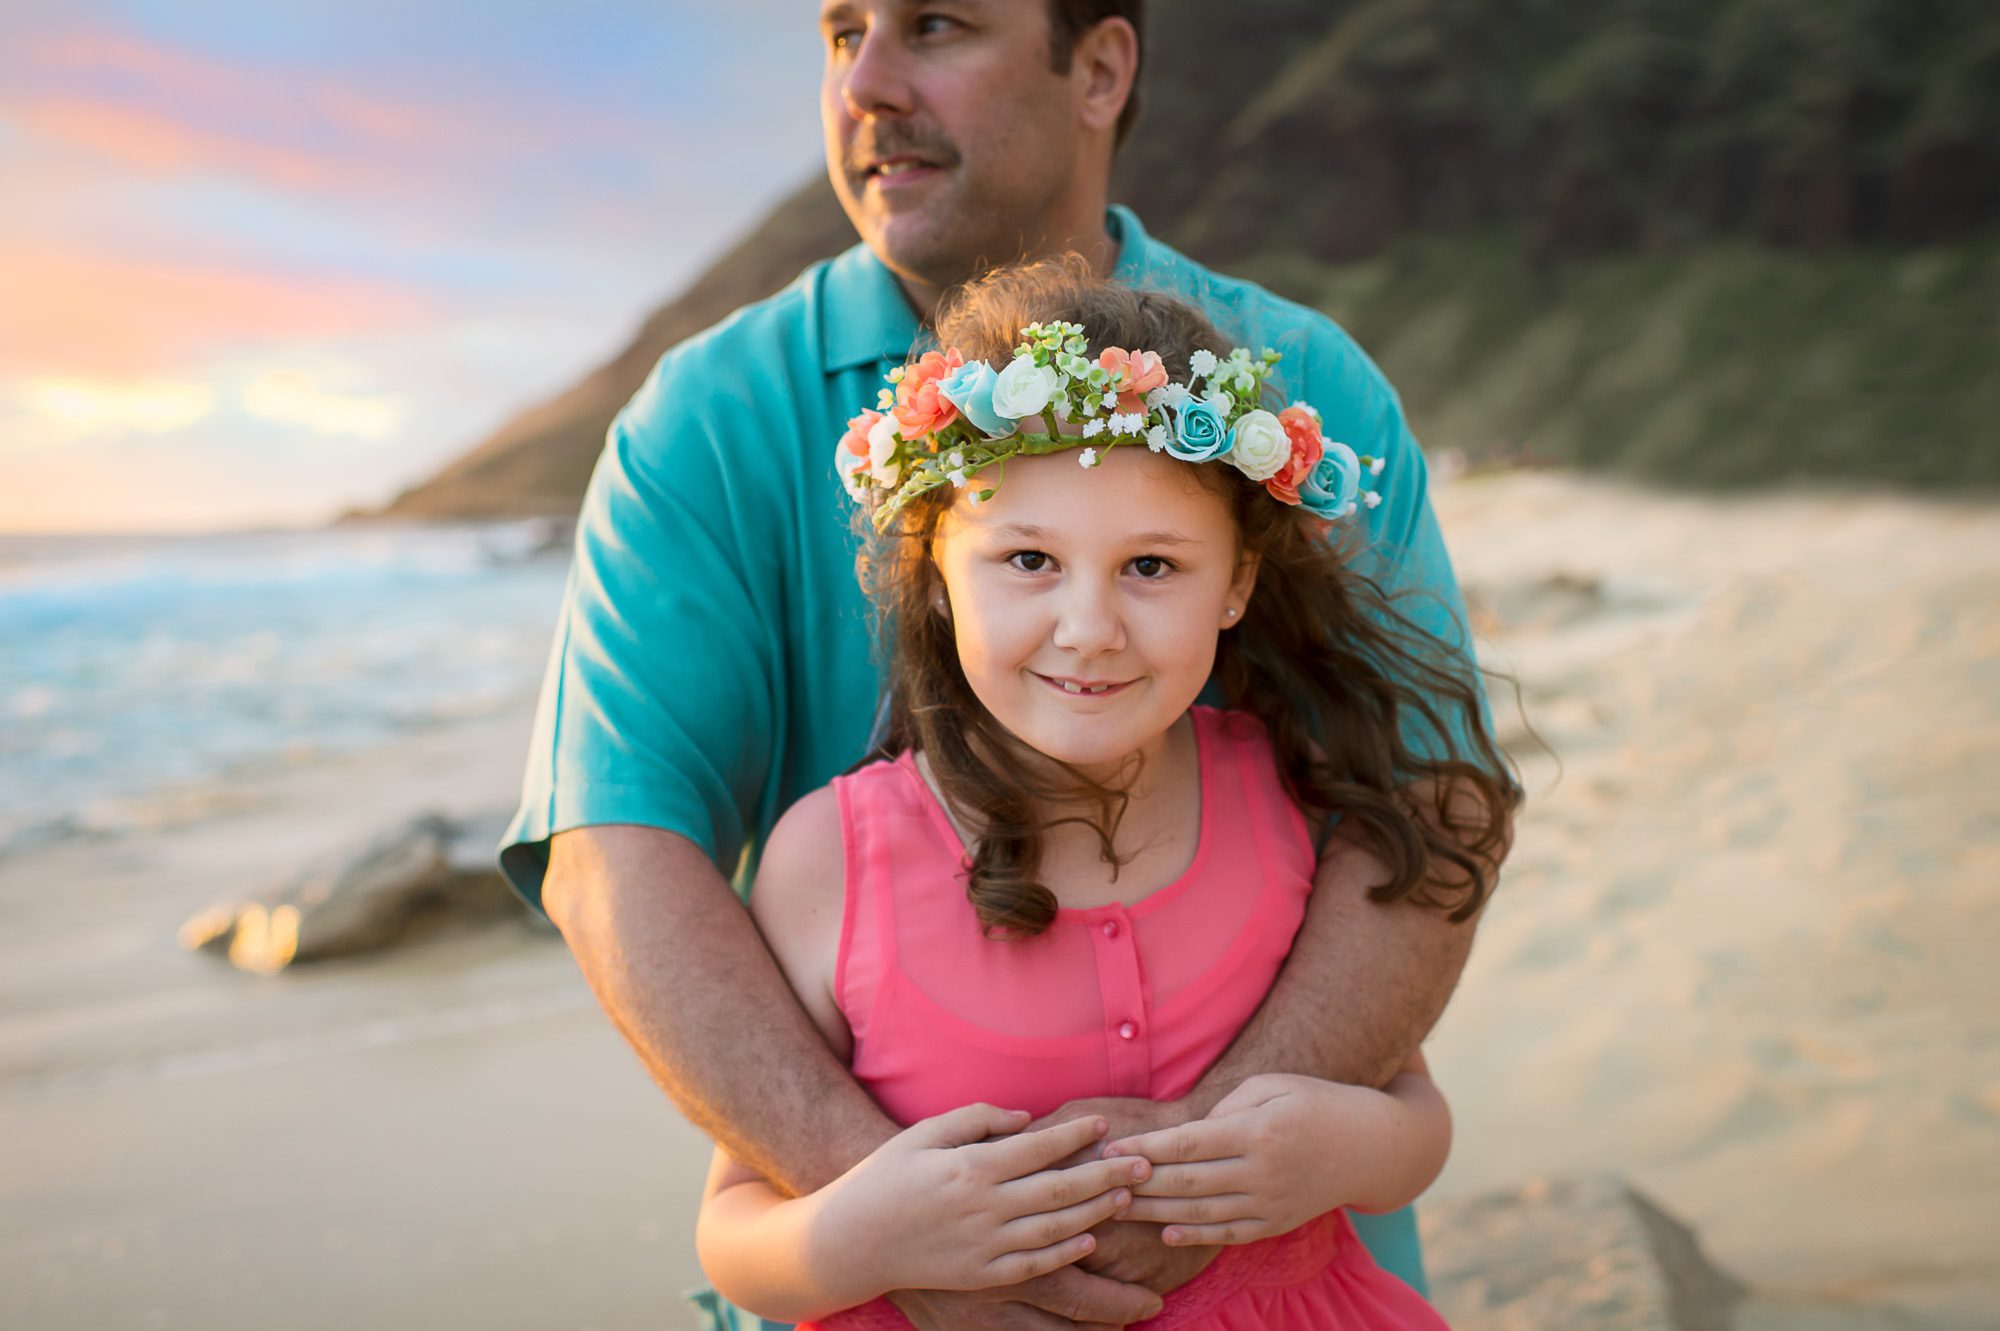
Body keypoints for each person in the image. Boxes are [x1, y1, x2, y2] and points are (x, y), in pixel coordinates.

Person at [500, 3, 1511, 1326]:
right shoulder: (701, 422)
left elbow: (1432, 795)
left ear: (1099, 68)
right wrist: (923, 1234)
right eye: (842, 29)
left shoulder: (1299, 389)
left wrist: (1171, 1188)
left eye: (936, 25)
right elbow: (613, 848)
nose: (865, 82)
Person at [692, 261, 1515, 1329]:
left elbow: (1413, 1116)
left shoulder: (1292, 797)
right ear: (938, 573)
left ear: (1235, 584)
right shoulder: (827, 857)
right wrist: (867, 1235)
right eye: (1027, 557)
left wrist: (1334, 1146)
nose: (1088, 625)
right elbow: (733, 1225)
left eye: (1151, 567)